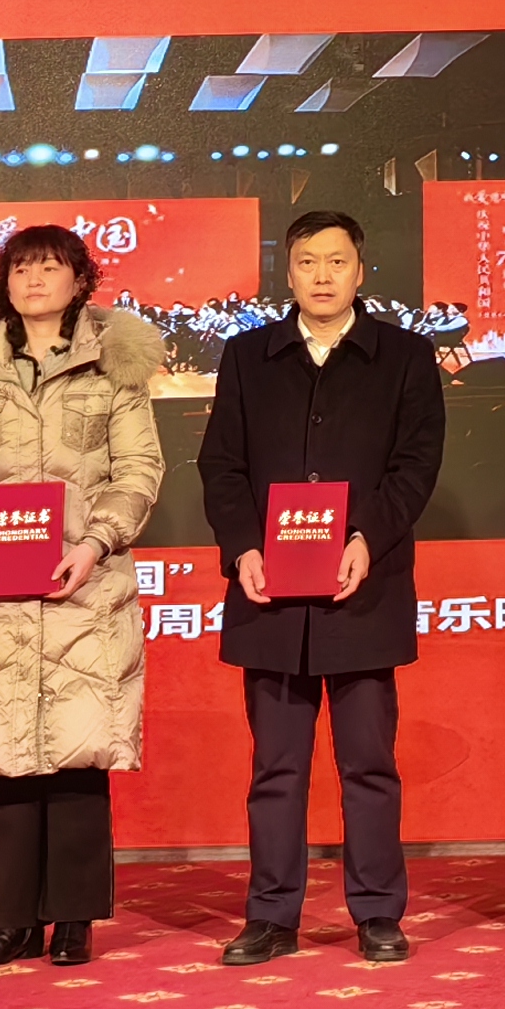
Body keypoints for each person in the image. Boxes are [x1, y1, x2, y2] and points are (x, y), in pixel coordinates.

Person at [199, 206, 447, 967]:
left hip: (361, 590)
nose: (323, 276)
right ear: (290, 272)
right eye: (308, 262)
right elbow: (222, 466)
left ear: (361, 270)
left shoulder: (404, 357)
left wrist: (368, 537)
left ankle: (377, 911)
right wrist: (242, 549)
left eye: (337, 261)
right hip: (269, 596)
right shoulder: (248, 356)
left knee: (368, 764)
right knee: (276, 768)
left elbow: (415, 466)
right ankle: (271, 915)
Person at [0, 223, 165, 970]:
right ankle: (12, 922)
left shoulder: (113, 368)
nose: (33, 281)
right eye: (20, 268)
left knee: (78, 751)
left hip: (83, 585)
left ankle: (75, 919)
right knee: (6, 753)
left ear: (79, 281)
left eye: (50, 268)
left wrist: (95, 543)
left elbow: (139, 471)